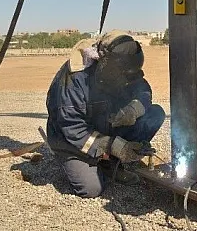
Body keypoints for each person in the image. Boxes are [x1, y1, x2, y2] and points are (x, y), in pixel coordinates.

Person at [45, 30, 166, 198]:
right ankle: (75, 160)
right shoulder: (75, 80)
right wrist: (113, 146)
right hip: (71, 140)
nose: (125, 79)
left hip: (105, 125)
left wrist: (134, 108)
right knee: (91, 189)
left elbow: (142, 89)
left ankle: (111, 163)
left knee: (155, 114)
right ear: (105, 64)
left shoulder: (122, 67)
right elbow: (72, 129)